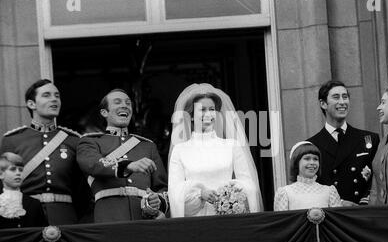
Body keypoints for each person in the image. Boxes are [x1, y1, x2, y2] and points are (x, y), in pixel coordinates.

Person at [0, 79, 91, 225]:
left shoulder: (73, 140)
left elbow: (82, 189)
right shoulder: (13, 139)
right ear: (31, 104)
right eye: (47, 95)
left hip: (64, 215)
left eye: (57, 95)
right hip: (24, 214)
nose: (54, 99)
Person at [168, 83, 263, 217]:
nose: (208, 114)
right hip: (195, 221)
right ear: (192, 115)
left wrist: (227, 193)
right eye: (202, 109)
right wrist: (200, 195)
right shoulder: (180, 150)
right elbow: (175, 191)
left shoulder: (232, 146)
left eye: (212, 109)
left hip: (228, 219)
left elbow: (249, 185)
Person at [77, 89, 169, 223]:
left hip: (144, 219)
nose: (124, 105)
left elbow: (162, 187)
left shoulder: (147, 146)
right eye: (117, 102)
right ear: (104, 112)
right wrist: (129, 165)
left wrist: (157, 201)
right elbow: (93, 164)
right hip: (109, 217)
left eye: (128, 103)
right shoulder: (90, 141)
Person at [307, 80, 380, 205]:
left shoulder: (369, 139)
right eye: (336, 97)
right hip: (330, 215)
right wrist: (338, 203)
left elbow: (378, 180)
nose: (342, 102)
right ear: (323, 103)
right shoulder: (311, 145)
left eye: (345, 97)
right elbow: (309, 186)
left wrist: (363, 205)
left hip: (363, 212)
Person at [274, 142, 356, 211]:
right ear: (296, 162)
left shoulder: (329, 191)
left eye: (315, 159)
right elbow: (282, 224)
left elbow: (337, 221)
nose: (312, 162)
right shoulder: (285, 192)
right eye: (307, 158)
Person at [0, 152, 47, 229]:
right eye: (13, 169)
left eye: (21, 170)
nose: (18, 173)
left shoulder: (34, 204)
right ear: (1, 174)